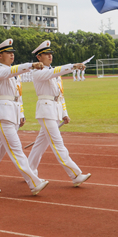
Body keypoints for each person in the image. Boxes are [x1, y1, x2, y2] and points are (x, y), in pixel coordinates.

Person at [0, 39, 48, 195]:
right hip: (3, 115)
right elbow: (9, 72)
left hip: (13, 114)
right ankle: (34, 182)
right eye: (8, 53)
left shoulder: (16, 73)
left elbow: (18, 96)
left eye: (12, 53)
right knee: (17, 150)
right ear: (0, 55)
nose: (12, 55)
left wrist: (21, 114)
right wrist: (30, 65)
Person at [27, 40, 91, 186]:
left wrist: (64, 112)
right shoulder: (38, 73)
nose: (50, 56)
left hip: (54, 110)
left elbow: (59, 95)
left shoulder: (54, 72)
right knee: (58, 144)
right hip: (46, 110)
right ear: (39, 57)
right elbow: (52, 73)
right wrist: (73, 66)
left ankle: (29, 170)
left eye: (50, 54)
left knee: (39, 145)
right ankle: (75, 175)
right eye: (46, 54)